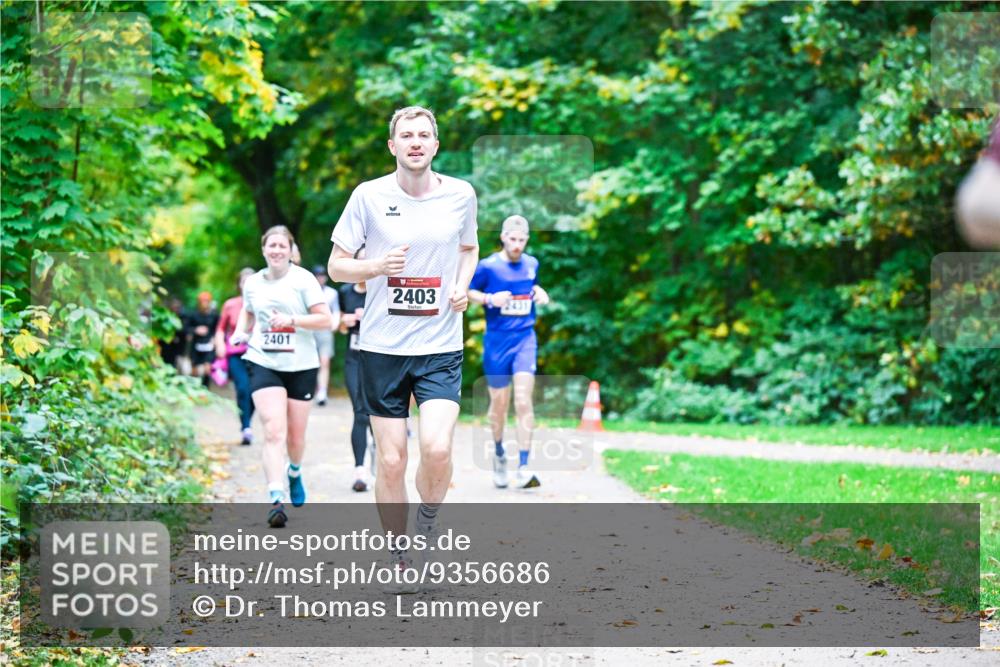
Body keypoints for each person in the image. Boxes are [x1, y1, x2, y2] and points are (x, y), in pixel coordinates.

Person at [328, 105, 478, 588]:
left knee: (437, 448)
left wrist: (462, 286)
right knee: (391, 461)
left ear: (435, 145)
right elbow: (336, 266)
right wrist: (375, 266)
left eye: (424, 135)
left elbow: (469, 248)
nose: (416, 142)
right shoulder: (368, 196)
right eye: (406, 135)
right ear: (393, 146)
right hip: (382, 348)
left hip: (440, 345)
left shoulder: (461, 194)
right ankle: (398, 555)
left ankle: (428, 521)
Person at [229, 226, 334, 527]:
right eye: (271, 245)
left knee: (296, 438)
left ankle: (295, 471)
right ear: (263, 249)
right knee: (274, 431)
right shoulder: (253, 283)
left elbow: (325, 319)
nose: (276, 250)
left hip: (301, 365)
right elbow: (248, 311)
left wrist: (292, 320)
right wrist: (241, 331)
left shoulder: (303, 280)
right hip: (263, 361)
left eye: (281, 246)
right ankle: (276, 497)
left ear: (290, 250)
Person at [468, 215, 550, 489]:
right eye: (512, 239)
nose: (517, 245)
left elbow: (530, 287)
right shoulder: (488, 266)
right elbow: (467, 291)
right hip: (497, 342)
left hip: (525, 338)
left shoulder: (531, 264)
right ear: (503, 237)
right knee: (499, 405)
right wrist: (489, 298)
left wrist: (539, 291)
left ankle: (524, 466)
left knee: (524, 400)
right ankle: (499, 454)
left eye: (522, 240)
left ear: (527, 240)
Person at [214, 268, 257, 445]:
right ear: (239, 284)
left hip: (257, 353)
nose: (246, 284)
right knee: (243, 388)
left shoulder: (263, 302)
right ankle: (246, 427)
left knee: (255, 391)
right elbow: (220, 329)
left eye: (250, 280)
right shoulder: (230, 304)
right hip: (236, 353)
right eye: (243, 281)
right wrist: (220, 345)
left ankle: (247, 422)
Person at [338, 277, 373, 491]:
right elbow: (341, 326)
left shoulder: (383, 288)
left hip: (379, 359)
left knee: (378, 414)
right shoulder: (345, 292)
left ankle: (379, 455)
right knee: (360, 412)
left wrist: (368, 316)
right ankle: (360, 471)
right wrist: (346, 320)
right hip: (354, 359)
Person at [311, 265, 341, 406]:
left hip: (324, 329)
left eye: (322, 276)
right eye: (317, 276)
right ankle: (311, 389)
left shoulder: (332, 293)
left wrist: (334, 324)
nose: (320, 278)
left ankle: (322, 391)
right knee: (311, 362)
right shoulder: (308, 291)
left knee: (324, 361)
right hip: (310, 329)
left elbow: (336, 310)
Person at [186, 291, 219, 387]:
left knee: (207, 369)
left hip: (209, 344)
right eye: (203, 301)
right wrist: (195, 330)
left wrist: (215, 338)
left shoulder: (214, 315)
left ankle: (205, 388)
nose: (205, 303)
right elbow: (185, 328)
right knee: (194, 370)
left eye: (207, 301)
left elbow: (218, 329)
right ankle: (193, 388)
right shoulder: (193, 314)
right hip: (196, 344)